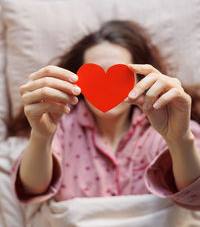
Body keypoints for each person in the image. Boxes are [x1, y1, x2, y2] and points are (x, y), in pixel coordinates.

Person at [11, 20, 200, 209]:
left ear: (140, 79)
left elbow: (196, 195)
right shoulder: (62, 123)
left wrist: (179, 139)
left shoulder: (168, 122)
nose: (106, 87)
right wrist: (41, 136)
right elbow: (32, 188)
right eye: (95, 77)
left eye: (120, 75)